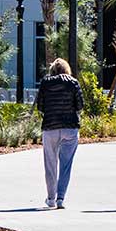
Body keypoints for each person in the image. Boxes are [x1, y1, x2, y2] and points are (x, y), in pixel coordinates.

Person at [36, 58, 83, 210]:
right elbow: (80, 105)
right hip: (70, 127)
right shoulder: (73, 82)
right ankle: (61, 198)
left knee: (50, 165)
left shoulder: (45, 83)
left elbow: (40, 106)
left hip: (50, 127)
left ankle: (50, 198)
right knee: (66, 165)